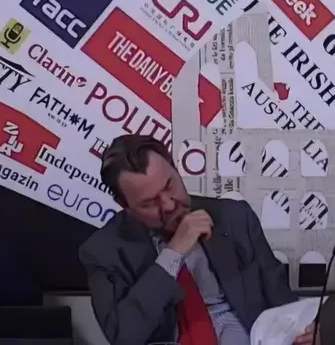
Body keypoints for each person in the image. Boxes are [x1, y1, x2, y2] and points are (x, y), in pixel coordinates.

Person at [79, 135, 320, 345]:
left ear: (176, 169)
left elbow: (283, 305)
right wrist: (172, 254)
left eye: (169, 186)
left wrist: (306, 331)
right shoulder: (104, 251)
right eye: (149, 202)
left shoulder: (235, 218)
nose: (169, 205)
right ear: (126, 206)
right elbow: (124, 337)